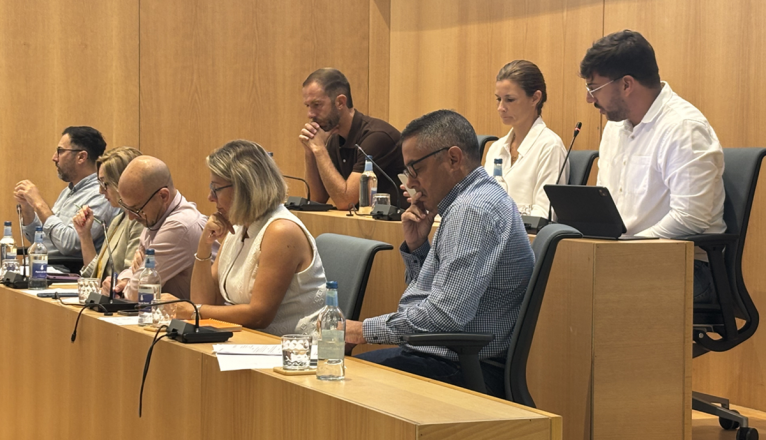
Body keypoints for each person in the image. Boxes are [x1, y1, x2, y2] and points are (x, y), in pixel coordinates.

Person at [345, 110, 535, 396]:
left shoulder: (472, 210)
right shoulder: (471, 202)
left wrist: (361, 331)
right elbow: (437, 296)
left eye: (415, 169)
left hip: (462, 368)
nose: (409, 183)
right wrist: (418, 246)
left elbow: (445, 316)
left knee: (335, 381)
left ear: (453, 159)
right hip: (445, 357)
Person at [580, 29, 725, 303]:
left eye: (593, 88)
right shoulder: (614, 127)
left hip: (685, 265)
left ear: (626, 84)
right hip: (625, 257)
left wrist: (626, 250)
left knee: (591, 300)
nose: (589, 98)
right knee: (557, 281)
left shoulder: (683, 128)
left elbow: (690, 218)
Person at [172, 140, 325, 335]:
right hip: (248, 341)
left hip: (293, 348)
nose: (210, 197)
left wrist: (195, 311)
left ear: (244, 188)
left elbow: (259, 315)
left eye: (216, 188)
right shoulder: (240, 226)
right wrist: (204, 244)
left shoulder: (281, 231)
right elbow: (205, 302)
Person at [299, 68, 406, 210]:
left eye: (317, 105)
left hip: (399, 222)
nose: (310, 114)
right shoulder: (335, 139)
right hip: (364, 222)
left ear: (340, 102)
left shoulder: (377, 136)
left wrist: (319, 149)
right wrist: (310, 152)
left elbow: (346, 202)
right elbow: (316, 199)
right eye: (308, 106)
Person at [14, 126, 120, 257]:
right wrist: (27, 208)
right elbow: (41, 240)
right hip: (46, 264)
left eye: (60, 151)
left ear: (81, 157)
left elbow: (69, 245)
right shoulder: (67, 192)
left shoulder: (101, 195)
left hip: (68, 268)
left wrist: (39, 204)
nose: (54, 157)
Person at [112, 156, 208, 300]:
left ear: (163, 196)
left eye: (136, 209)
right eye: (126, 207)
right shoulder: (154, 216)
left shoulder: (180, 225)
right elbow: (135, 271)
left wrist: (122, 288)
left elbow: (138, 292)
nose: (131, 217)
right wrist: (124, 280)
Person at [484, 60, 568, 217]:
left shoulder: (550, 146)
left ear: (535, 98)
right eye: (498, 99)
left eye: (510, 99)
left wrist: (500, 214)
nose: (501, 108)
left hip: (527, 233)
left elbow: (545, 214)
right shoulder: (496, 148)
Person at [72, 147, 144, 283]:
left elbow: (129, 280)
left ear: (123, 182)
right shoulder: (118, 219)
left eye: (105, 184)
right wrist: (84, 235)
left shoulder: (139, 221)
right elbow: (97, 276)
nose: (101, 191)